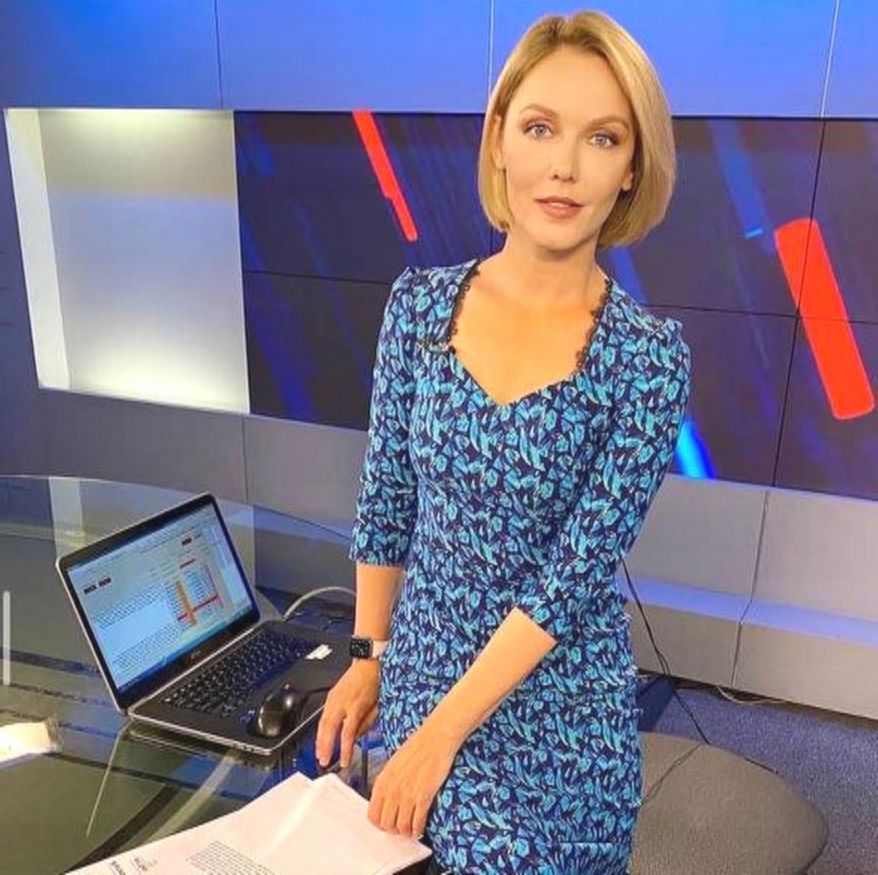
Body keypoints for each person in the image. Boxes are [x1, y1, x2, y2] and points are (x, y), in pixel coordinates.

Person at [316, 9, 691, 874]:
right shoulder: (418, 307)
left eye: (603, 138)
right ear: (498, 142)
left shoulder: (649, 359)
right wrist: (369, 656)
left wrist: (439, 737)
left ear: (633, 168)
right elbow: (385, 504)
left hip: (557, 716)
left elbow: (571, 582)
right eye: (540, 128)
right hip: (424, 671)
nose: (564, 166)